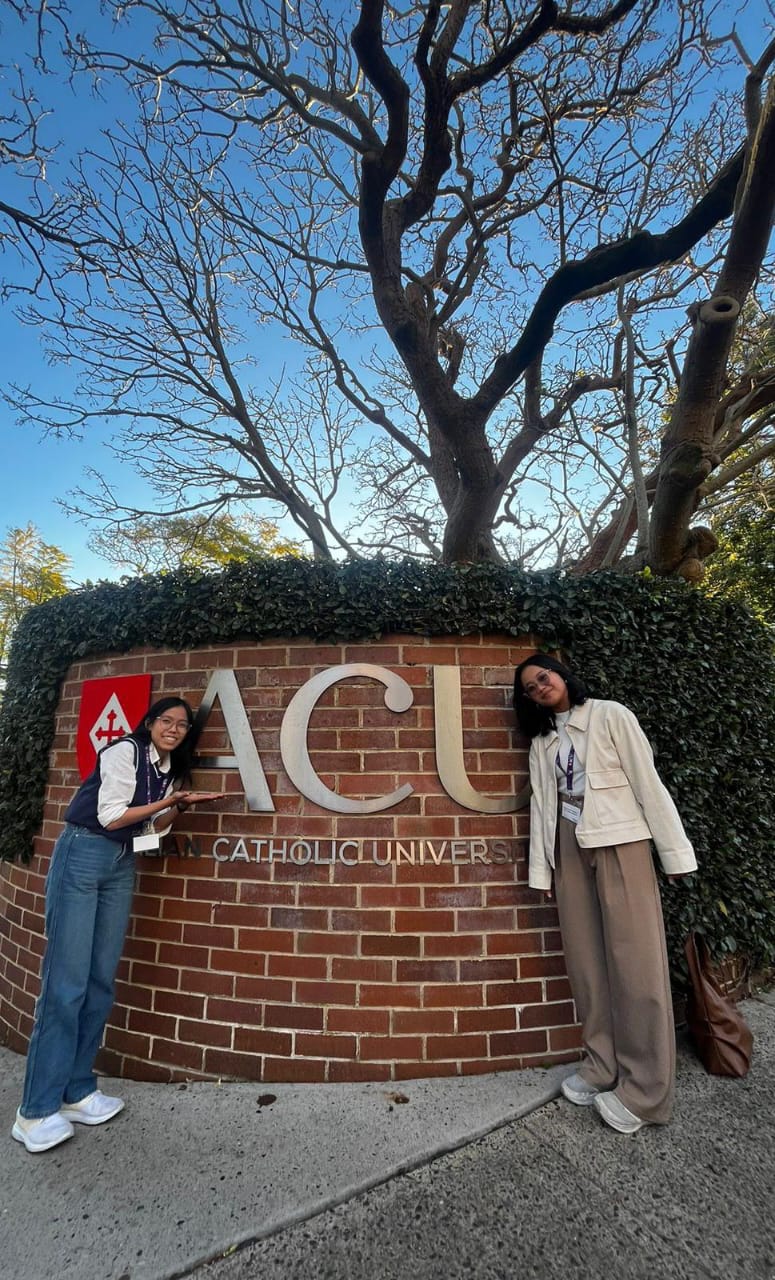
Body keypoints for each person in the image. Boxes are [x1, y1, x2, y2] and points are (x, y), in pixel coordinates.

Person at [12, 695, 225, 1154]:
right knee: (65, 985)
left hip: (122, 863)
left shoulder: (167, 770)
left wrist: (180, 806)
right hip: (83, 856)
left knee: (100, 981)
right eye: (166, 720)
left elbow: (150, 831)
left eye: (182, 725)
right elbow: (110, 816)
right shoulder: (123, 751)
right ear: (149, 722)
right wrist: (169, 799)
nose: (173, 729)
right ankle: (35, 1110)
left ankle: (77, 1091)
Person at [513, 653, 697, 1135]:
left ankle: (646, 1091)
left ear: (561, 674)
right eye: (530, 688)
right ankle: (601, 1064)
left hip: (620, 841)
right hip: (568, 848)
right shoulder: (542, 741)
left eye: (543, 677)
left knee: (636, 963)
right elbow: (543, 808)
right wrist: (542, 872)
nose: (540, 687)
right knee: (586, 963)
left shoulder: (610, 715)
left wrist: (674, 854)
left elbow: (647, 782)